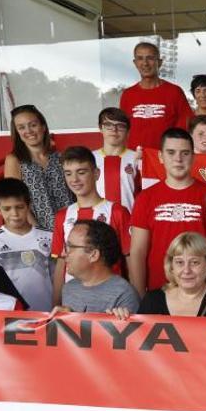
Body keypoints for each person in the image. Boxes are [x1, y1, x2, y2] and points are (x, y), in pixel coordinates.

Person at [129, 128, 206, 294]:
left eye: (185, 153)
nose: (178, 159)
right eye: (171, 152)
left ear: (193, 157)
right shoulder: (145, 198)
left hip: (202, 291)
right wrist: (139, 297)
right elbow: (137, 252)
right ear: (160, 156)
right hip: (159, 292)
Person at [52, 146, 132, 304]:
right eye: (68, 173)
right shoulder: (62, 215)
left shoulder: (117, 211)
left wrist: (137, 298)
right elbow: (61, 263)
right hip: (73, 298)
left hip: (111, 299)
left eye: (81, 172)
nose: (74, 179)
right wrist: (55, 303)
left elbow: (130, 260)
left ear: (96, 174)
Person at [137, 232, 206, 317]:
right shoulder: (152, 301)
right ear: (171, 266)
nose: (186, 270)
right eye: (179, 262)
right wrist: (121, 318)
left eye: (194, 262)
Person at [3, 105, 73, 230]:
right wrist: (37, 231)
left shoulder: (61, 158)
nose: (28, 131)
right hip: (37, 230)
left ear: (43, 127)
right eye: (21, 127)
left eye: (33, 125)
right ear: (17, 133)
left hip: (69, 225)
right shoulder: (15, 160)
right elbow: (15, 200)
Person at [119, 41, 193, 150]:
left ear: (159, 62)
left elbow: (185, 128)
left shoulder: (174, 92)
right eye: (140, 58)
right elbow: (122, 129)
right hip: (135, 158)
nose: (145, 63)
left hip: (165, 159)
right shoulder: (127, 95)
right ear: (135, 63)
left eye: (150, 58)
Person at [0, 178, 53, 311]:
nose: (14, 214)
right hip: (11, 319)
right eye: (7, 209)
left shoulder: (50, 237)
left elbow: (60, 279)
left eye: (19, 207)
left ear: (29, 205)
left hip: (49, 314)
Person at [59, 220, 138, 314]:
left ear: (93, 255)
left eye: (70, 247)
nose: (63, 254)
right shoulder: (69, 288)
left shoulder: (124, 294)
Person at [92, 107, 139, 212]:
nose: (114, 129)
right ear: (100, 128)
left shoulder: (137, 158)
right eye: (108, 125)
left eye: (120, 126)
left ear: (128, 131)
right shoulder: (90, 158)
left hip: (129, 220)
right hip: (97, 223)